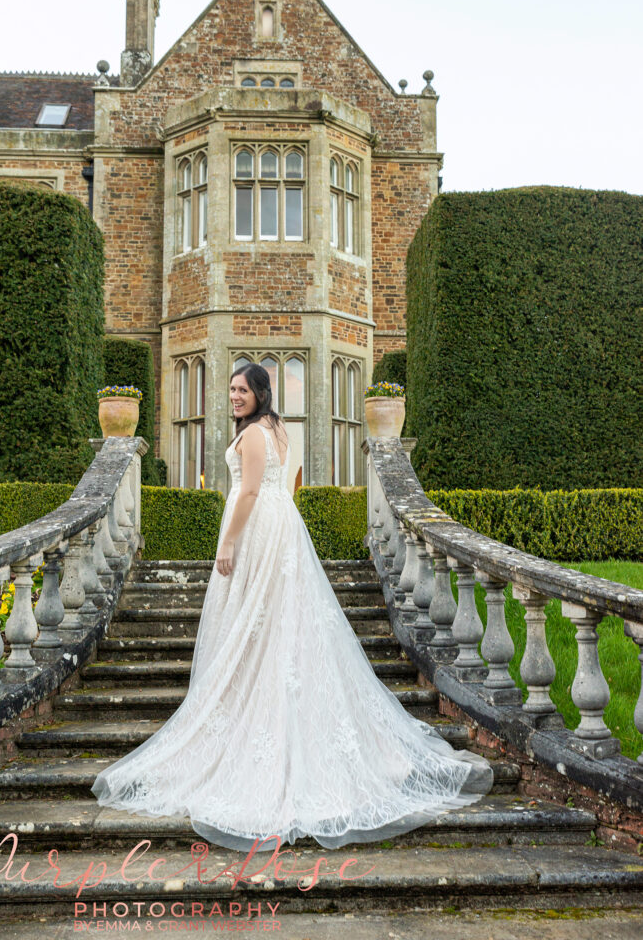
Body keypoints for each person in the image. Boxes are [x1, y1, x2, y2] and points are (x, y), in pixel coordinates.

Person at [91, 362, 493, 851]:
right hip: (279, 525)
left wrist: (229, 543)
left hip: (258, 526)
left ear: (260, 393)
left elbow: (252, 490)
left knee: (259, 622)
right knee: (271, 624)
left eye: (242, 390)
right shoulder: (275, 428)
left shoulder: (256, 435)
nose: (234, 396)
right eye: (231, 389)